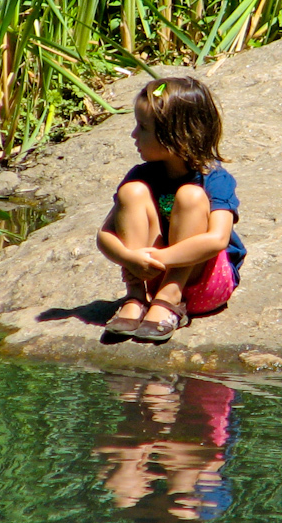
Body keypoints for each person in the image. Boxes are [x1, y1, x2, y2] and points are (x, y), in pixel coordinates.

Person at [96, 76, 246, 341]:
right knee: (131, 192)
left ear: (176, 136)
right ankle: (136, 296)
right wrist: (130, 259)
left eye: (143, 128)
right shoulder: (141, 175)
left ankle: (170, 298)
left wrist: (159, 259)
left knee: (190, 196)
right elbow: (105, 235)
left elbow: (218, 239)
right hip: (149, 274)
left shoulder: (214, 179)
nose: (133, 135)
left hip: (204, 282)